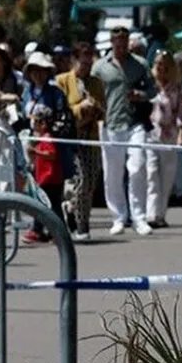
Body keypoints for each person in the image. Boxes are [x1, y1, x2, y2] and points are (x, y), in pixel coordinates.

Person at [92, 26, 157, 236]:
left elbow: (152, 89)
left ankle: (139, 217)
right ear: (111, 42)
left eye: (124, 40)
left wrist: (141, 94)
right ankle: (118, 217)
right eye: (116, 40)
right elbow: (91, 91)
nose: (120, 44)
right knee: (113, 173)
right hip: (111, 123)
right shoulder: (100, 67)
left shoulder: (140, 64)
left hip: (135, 122)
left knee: (138, 167)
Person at [55, 42, 106, 242]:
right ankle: (81, 224)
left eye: (89, 61)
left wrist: (95, 108)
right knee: (80, 180)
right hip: (71, 137)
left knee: (90, 182)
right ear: (74, 60)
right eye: (82, 61)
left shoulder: (96, 83)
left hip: (90, 137)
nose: (86, 65)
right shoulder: (62, 81)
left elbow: (104, 111)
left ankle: (74, 210)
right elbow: (61, 109)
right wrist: (79, 108)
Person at [145, 51, 182, 229]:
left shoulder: (177, 88)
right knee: (151, 174)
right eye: (158, 64)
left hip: (169, 135)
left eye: (165, 64)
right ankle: (151, 213)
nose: (161, 67)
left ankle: (161, 214)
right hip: (150, 134)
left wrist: (181, 134)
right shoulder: (150, 86)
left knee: (167, 176)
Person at [23, 104, 65, 243]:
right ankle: (46, 230)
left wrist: (36, 152)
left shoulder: (47, 138)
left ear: (43, 123)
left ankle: (42, 230)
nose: (33, 125)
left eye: (36, 122)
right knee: (48, 206)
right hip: (45, 178)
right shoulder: (41, 139)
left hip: (50, 179)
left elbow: (51, 154)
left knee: (47, 206)